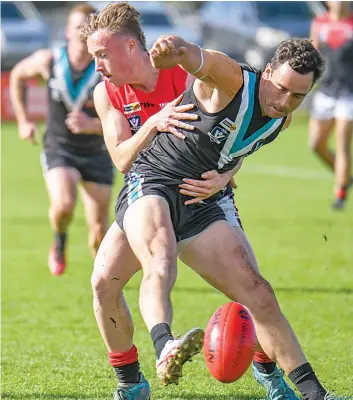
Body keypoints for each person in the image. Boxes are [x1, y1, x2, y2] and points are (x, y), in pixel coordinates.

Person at [81, 3, 296, 400]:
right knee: (103, 284)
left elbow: (242, 127)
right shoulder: (106, 91)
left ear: (131, 47)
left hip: (204, 193)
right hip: (150, 190)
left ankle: (272, 377)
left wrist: (225, 177)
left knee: (252, 289)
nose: (96, 65)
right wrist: (152, 124)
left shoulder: (184, 73)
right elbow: (120, 158)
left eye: (101, 54)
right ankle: (131, 384)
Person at [10, 4, 113, 276]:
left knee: (99, 231)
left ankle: (103, 286)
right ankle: (59, 241)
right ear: (67, 30)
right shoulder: (50, 60)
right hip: (60, 148)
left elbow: (125, 120)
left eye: (89, 27)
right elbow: (18, 76)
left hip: (98, 151)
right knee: (63, 206)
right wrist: (23, 120)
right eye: (78, 26)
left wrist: (92, 125)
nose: (82, 32)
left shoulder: (106, 69)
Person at [309, 1, 353, 209]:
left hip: (349, 93)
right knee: (316, 144)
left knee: (342, 143)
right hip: (325, 90)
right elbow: (314, 54)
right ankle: (344, 177)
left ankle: (340, 193)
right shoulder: (320, 23)